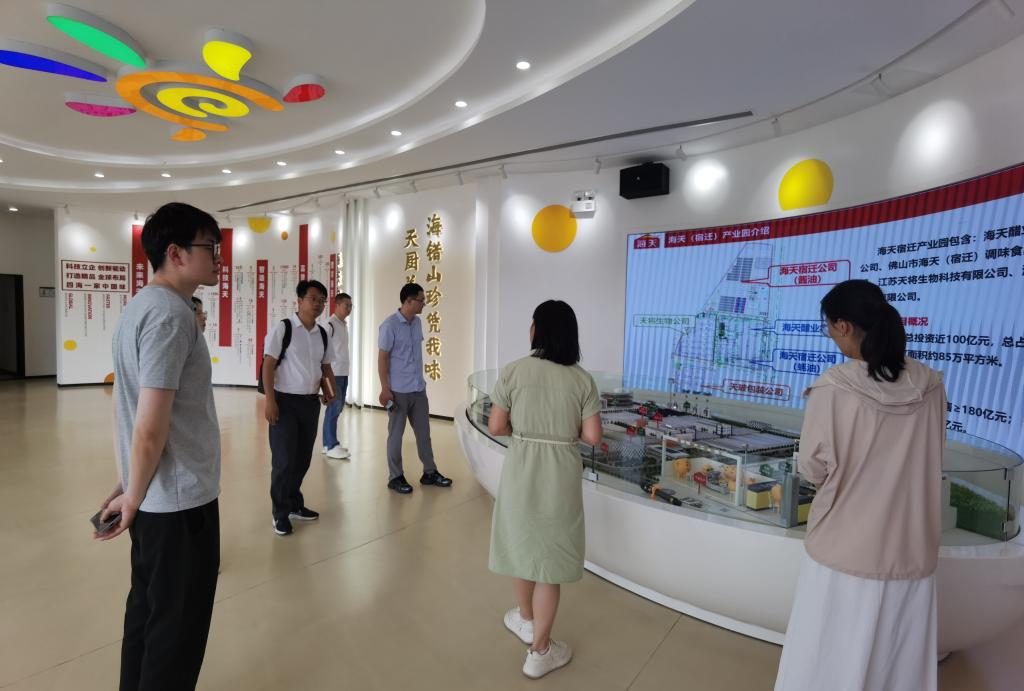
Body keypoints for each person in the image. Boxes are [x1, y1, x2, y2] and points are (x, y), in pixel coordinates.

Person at [774, 279, 946, 691]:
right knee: (897, 662)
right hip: (911, 550)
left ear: (844, 326)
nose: (832, 337)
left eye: (829, 328)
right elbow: (934, 453)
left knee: (827, 659)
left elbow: (813, 468)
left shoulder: (834, 387)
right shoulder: (931, 385)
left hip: (844, 550)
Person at [95, 202, 223, 691]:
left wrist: (130, 484)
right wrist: (132, 492)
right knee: (177, 630)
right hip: (180, 500)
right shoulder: (171, 316)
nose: (217, 258)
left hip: (156, 496)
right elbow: (149, 425)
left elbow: (124, 404)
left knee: (148, 613)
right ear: (176, 253)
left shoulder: (141, 307)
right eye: (209, 247)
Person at [487, 300, 603, 680]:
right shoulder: (582, 380)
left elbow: (496, 426)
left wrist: (525, 430)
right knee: (549, 563)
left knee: (522, 545)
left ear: (536, 329)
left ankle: (525, 619)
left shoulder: (513, 371)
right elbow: (592, 436)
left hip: (521, 467)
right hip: (561, 474)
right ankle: (540, 651)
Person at [262, 279, 335, 536]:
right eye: (313, 299)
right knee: (283, 461)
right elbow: (268, 365)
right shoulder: (284, 328)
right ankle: (280, 513)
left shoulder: (322, 333)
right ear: (300, 301)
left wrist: (330, 392)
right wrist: (270, 400)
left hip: (309, 404)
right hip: (284, 403)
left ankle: (294, 503)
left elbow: (326, 367)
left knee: (302, 459)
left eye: (322, 300)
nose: (318, 304)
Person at [377, 282, 453, 493]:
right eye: (421, 300)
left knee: (424, 434)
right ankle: (395, 477)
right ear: (409, 301)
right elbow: (382, 358)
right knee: (396, 435)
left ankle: (429, 472)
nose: (424, 304)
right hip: (398, 391)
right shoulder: (389, 325)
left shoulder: (417, 323)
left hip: (418, 389)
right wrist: (385, 388)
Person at [322, 292, 352, 460]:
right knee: (333, 408)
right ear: (337, 305)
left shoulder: (343, 325)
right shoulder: (329, 325)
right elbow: (322, 350)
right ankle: (330, 445)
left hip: (343, 372)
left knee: (337, 408)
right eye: (346, 305)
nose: (349, 308)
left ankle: (329, 443)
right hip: (332, 374)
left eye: (351, 306)